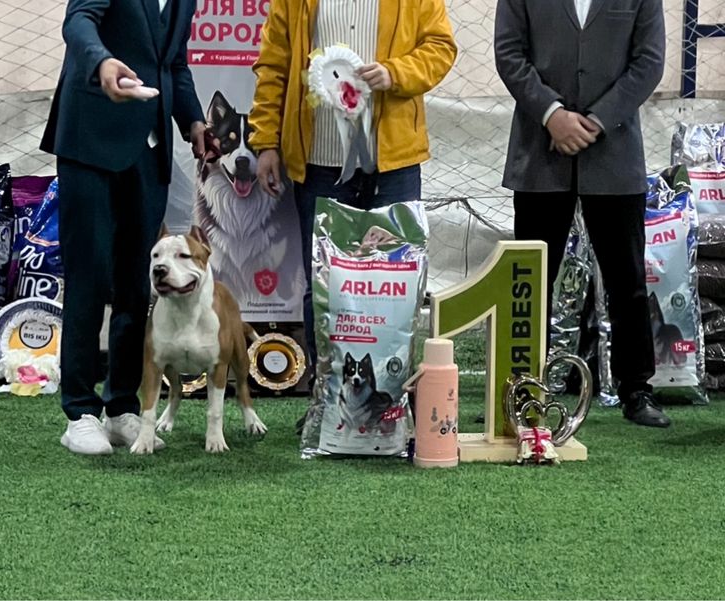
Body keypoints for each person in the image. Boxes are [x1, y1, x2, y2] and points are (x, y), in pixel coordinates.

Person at [248, 0, 457, 373]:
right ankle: (327, 394)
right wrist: (265, 142)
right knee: (324, 287)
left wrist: (396, 73)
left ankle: (391, 393)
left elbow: (441, 48)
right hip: (319, 163)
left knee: (395, 283)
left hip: (394, 164)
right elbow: (273, 66)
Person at [40, 0, 209, 454]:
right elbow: (79, 20)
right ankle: (79, 412)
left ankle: (120, 408)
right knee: (90, 276)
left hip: (148, 151)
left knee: (137, 284)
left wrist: (193, 120)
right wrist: (101, 61)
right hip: (89, 141)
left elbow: (173, 63)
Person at [494, 0, 670, 427]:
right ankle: (521, 386)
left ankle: (636, 389)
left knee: (627, 280)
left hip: (615, 155)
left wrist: (596, 120)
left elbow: (649, 62)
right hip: (539, 155)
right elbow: (509, 54)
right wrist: (552, 115)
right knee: (529, 282)